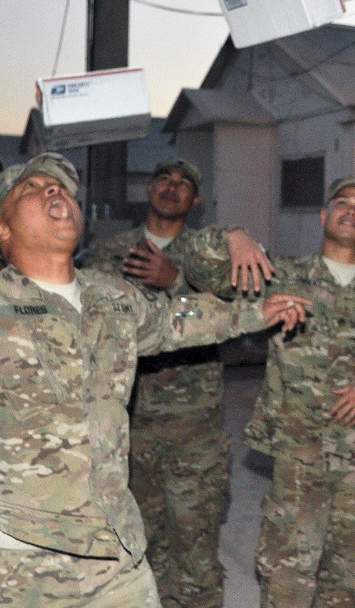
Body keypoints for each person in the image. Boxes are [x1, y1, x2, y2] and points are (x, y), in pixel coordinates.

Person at [0, 153, 305, 608]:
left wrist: (257, 312)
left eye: (59, 187)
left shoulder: (112, 296)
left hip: (116, 558)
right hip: (17, 566)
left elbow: (177, 320)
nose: (53, 191)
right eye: (31, 188)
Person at [80, 157, 268, 608]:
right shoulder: (109, 252)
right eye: (164, 178)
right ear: (149, 189)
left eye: (185, 183)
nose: (172, 186)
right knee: (134, 550)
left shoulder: (207, 255)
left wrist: (176, 282)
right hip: (125, 429)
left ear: (196, 200)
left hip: (193, 430)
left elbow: (239, 313)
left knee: (195, 550)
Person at [244, 176, 355, 608]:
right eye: (341, 202)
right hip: (298, 451)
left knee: (349, 575)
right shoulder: (282, 277)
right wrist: (234, 238)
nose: (351, 210)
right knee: (287, 572)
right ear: (324, 216)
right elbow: (227, 298)